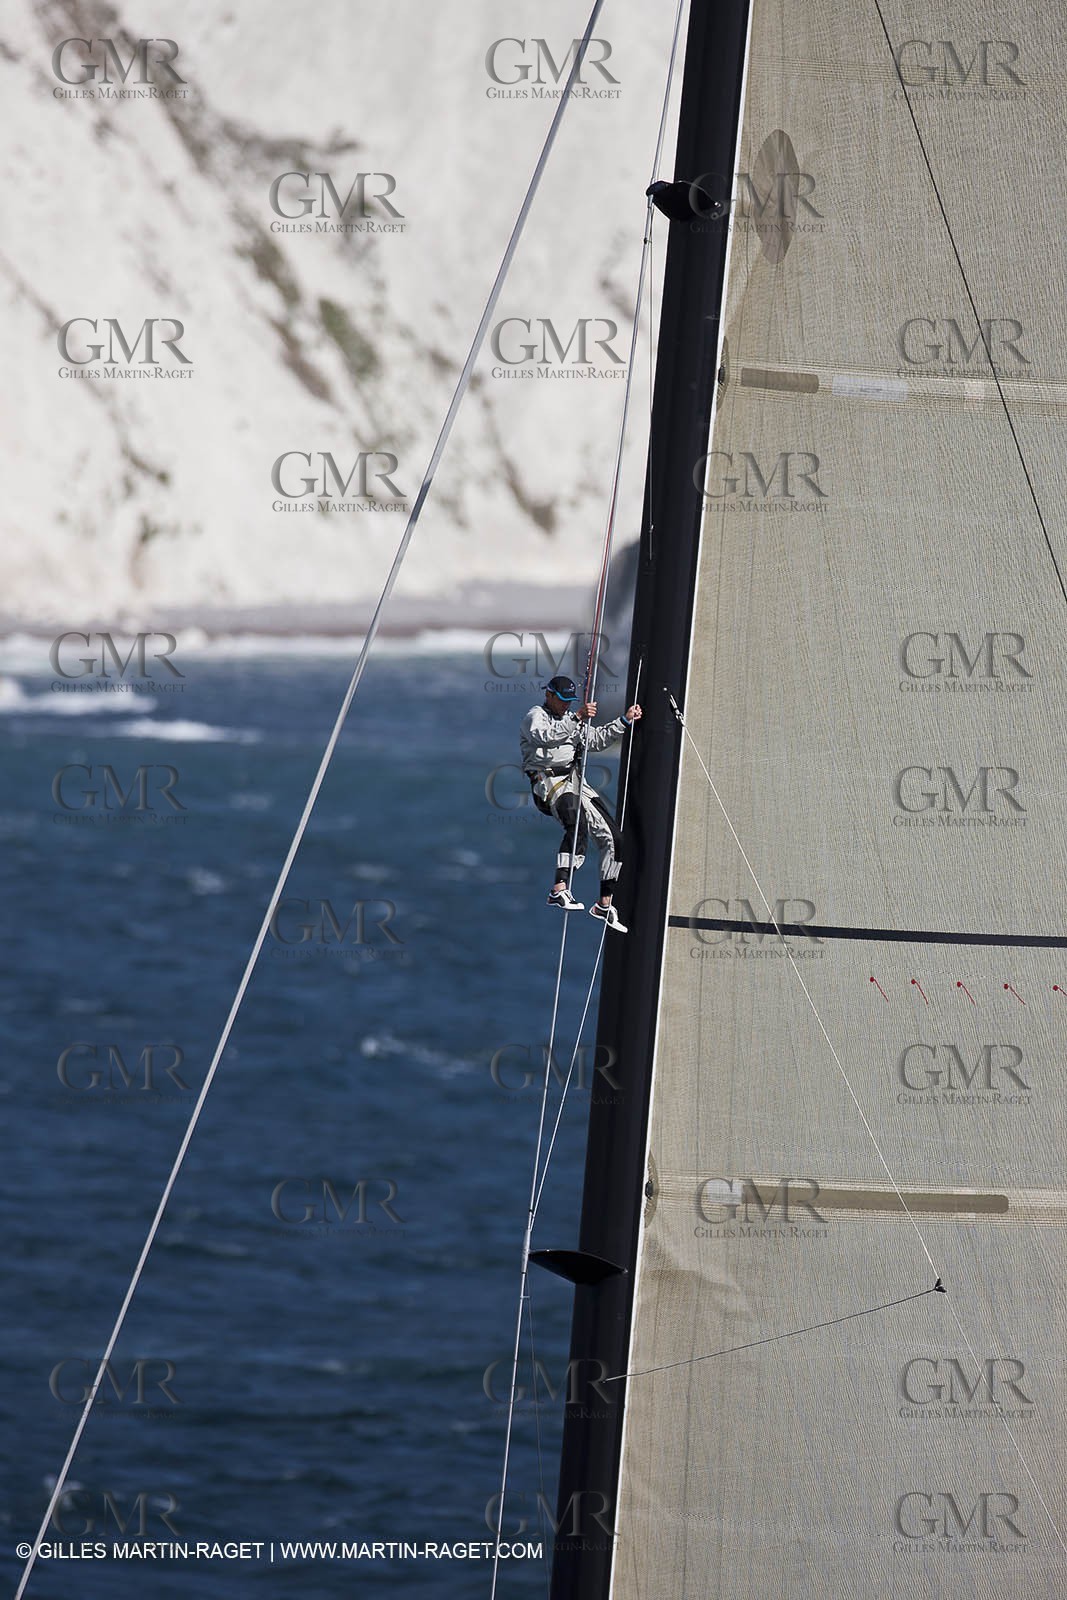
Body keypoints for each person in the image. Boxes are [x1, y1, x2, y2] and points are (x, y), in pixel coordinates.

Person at [519, 674, 643, 933]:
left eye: (569, 702)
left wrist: (624, 721)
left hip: (575, 781)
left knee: (615, 839)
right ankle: (559, 889)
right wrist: (577, 717)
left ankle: (604, 904)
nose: (565, 705)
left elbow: (595, 740)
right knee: (576, 825)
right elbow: (546, 737)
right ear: (549, 695)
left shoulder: (571, 720)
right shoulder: (535, 716)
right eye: (562, 700)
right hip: (548, 783)